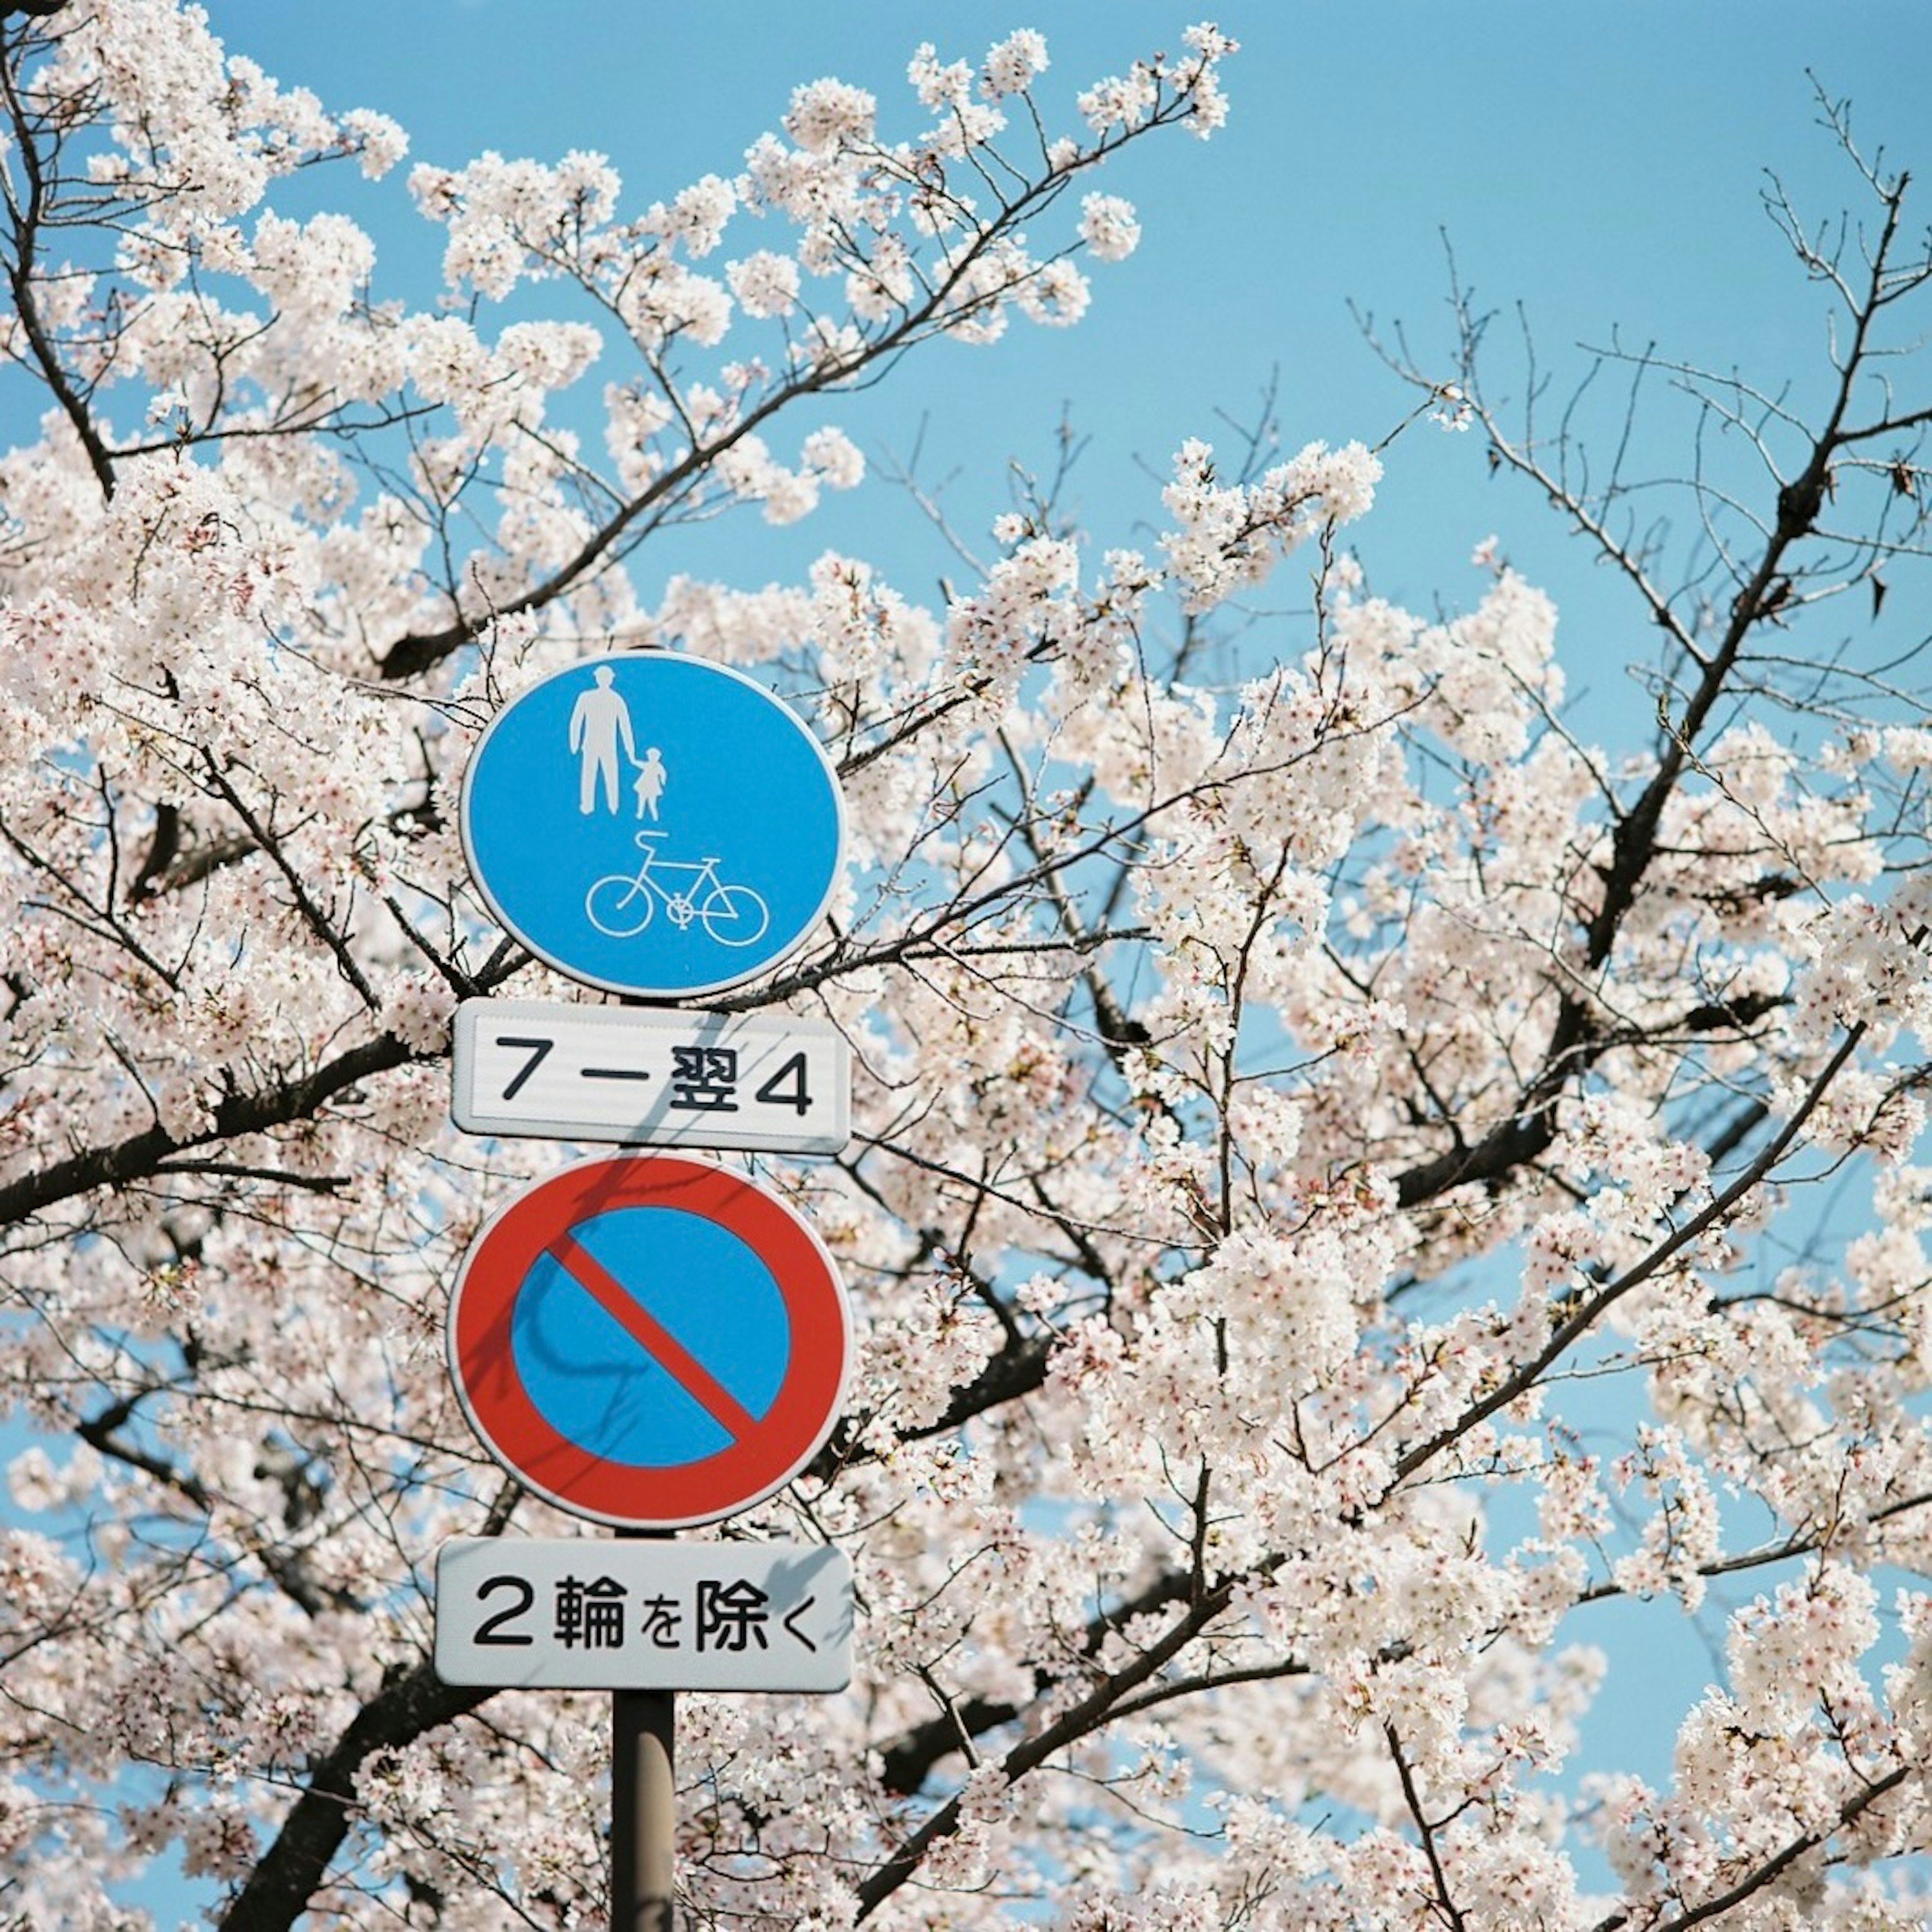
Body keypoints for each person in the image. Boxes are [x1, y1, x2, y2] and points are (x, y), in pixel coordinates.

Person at [568, 665, 635, 815]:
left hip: (608, 745)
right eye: (602, 677)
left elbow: (625, 728)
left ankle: (614, 807)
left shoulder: (616, 699)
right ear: (597, 679)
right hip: (591, 744)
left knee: (610, 775)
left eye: (606, 677)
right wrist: (574, 743)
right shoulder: (586, 697)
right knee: (589, 775)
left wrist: (631, 752)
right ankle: (588, 806)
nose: (604, 680)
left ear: (611, 679)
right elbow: (576, 721)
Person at [632, 746, 668, 822]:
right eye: (650, 756)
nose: (652, 758)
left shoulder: (658, 767)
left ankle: (655, 817)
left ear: (658, 758)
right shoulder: (647, 765)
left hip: (653, 787)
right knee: (641, 800)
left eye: (654, 756)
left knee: (652, 803)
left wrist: (663, 780)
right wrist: (634, 761)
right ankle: (640, 814)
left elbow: (663, 773)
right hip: (644, 786)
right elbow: (640, 764)